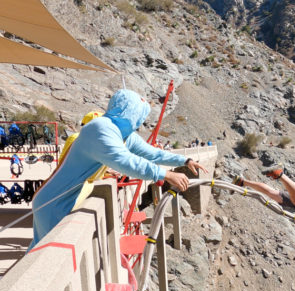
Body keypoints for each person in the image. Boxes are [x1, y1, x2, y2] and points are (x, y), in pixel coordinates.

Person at [28, 89, 207, 250]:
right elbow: (125, 161)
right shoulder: (100, 128)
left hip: (68, 198)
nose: (140, 123)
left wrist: (184, 159)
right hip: (53, 202)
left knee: (39, 251)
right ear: (130, 113)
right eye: (139, 117)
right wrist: (165, 174)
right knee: (43, 255)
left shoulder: (122, 134)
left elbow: (152, 153)